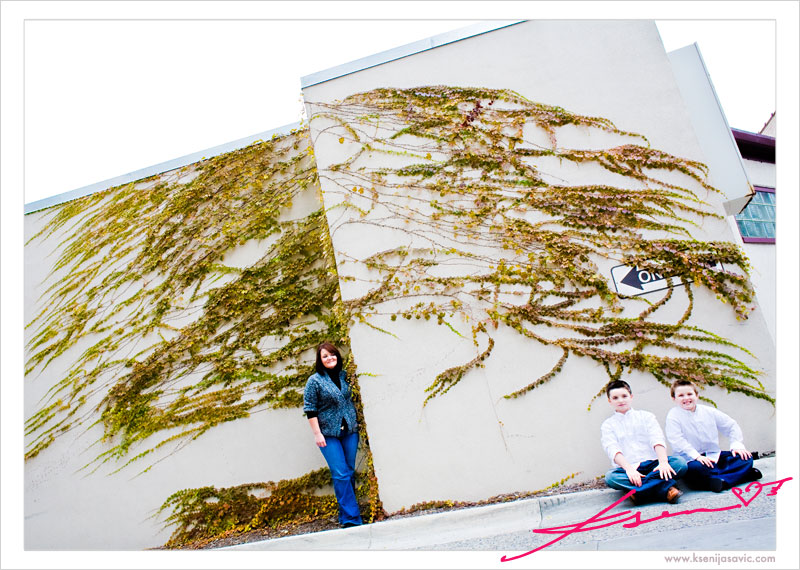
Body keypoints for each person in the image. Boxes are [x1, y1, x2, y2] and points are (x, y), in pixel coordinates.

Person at [303, 342, 363, 528]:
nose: (330, 358)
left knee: (349, 472)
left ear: (337, 356)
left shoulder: (345, 376)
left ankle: (346, 514)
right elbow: (310, 409)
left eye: (332, 354)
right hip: (328, 434)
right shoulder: (315, 381)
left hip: (349, 431)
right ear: (320, 360)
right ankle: (352, 518)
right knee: (341, 473)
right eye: (325, 356)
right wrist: (317, 434)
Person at [665, 379, 762, 493]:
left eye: (690, 394)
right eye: (681, 395)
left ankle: (722, 481)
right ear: (674, 398)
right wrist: (697, 457)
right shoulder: (673, 416)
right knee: (698, 469)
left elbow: (731, 425)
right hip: (692, 460)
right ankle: (743, 475)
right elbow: (677, 441)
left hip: (713, 455)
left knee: (745, 457)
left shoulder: (709, 411)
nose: (686, 398)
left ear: (697, 396)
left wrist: (737, 445)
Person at [600, 379, 688, 505]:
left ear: (631, 397)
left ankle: (639, 493)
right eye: (615, 398)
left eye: (624, 396)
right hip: (629, 469)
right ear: (610, 401)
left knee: (680, 463)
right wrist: (629, 470)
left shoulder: (646, 416)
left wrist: (663, 462)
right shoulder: (608, 425)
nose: (620, 400)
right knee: (611, 477)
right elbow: (612, 450)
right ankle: (666, 489)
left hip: (654, 465)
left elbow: (657, 439)